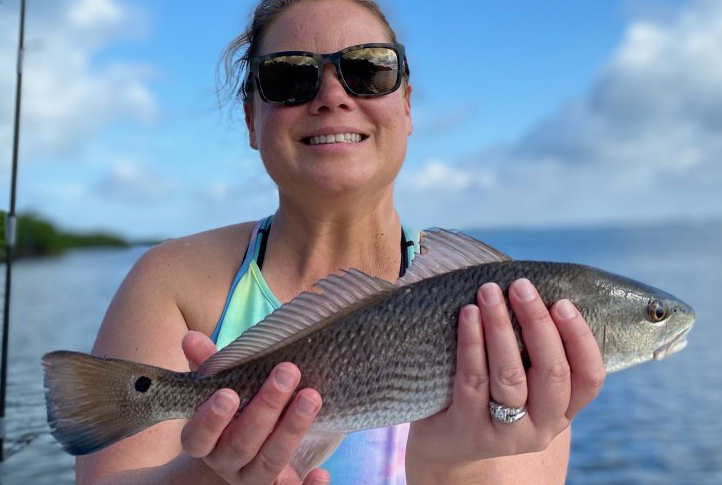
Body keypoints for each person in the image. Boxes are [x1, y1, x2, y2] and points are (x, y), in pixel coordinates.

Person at [75, 0, 606, 484]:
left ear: (407, 105)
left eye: (369, 71)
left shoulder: (516, 314)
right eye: (289, 77)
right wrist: (207, 474)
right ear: (250, 119)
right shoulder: (170, 280)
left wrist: (449, 465)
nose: (333, 96)